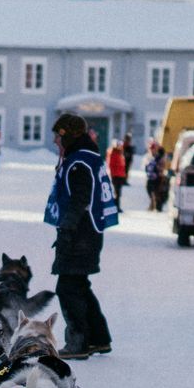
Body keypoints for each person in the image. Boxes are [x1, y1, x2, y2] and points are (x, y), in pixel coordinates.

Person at [46, 113, 116, 360]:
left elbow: (80, 199)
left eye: (58, 135)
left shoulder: (79, 162)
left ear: (68, 135)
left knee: (67, 288)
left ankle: (78, 343)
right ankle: (99, 339)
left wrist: (66, 229)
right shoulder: (88, 156)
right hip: (88, 232)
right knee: (79, 286)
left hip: (80, 234)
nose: (55, 141)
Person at [143, 140, 170, 212]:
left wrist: (160, 171)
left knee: (157, 192)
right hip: (150, 177)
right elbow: (146, 166)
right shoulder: (149, 156)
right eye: (151, 149)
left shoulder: (159, 157)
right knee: (150, 191)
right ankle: (152, 204)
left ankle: (157, 206)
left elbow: (162, 166)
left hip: (157, 178)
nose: (152, 150)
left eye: (153, 148)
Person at [105, 136, 129, 207]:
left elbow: (122, 165)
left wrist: (124, 175)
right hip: (115, 175)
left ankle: (117, 206)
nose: (121, 146)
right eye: (119, 145)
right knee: (116, 192)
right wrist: (112, 174)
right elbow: (110, 164)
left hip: (120, 175)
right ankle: (116, 206)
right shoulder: (112, 152)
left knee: (118, 192)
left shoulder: (120, 153)